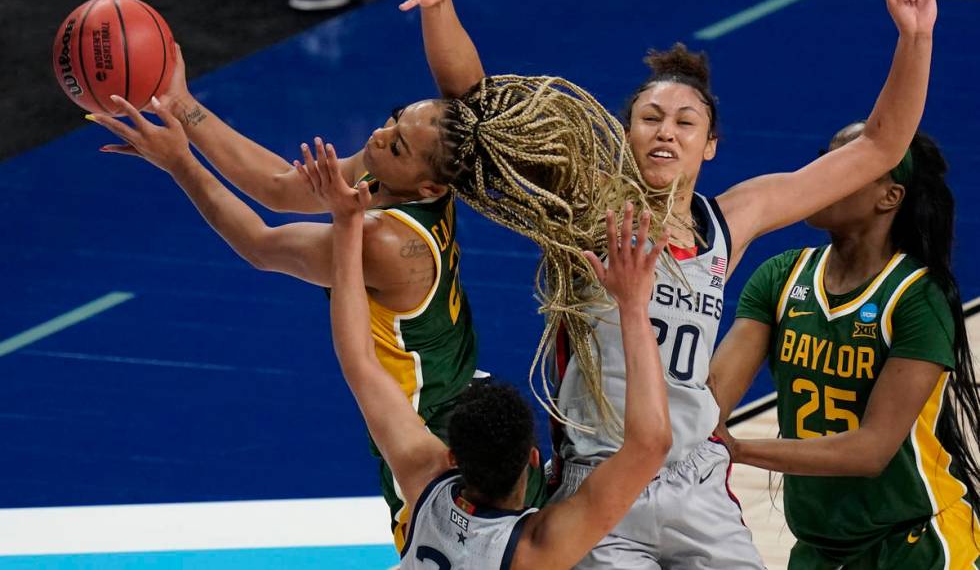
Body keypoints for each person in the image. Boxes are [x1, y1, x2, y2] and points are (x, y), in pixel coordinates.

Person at [404, 0, 937, 569]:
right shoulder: (584, 205)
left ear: (709, 146)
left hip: (695, 480)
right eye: (650, 118)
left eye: (686, 123)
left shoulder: (730, 221)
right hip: (602, 482)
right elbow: (479, 108)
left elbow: (877, 146)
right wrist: (440, 7)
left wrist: (915, 38)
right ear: (624, 133)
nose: (666, 131)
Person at [88, 64, 671, 551]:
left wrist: (179, 164)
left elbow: (261, 245)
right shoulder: (403, 173)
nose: (376, 136)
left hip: (426, 429)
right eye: (392, 119)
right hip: (468, 396)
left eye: (395, 141)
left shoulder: (385, 243)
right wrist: (184, 105)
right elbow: (279, 185)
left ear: (428, 188)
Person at [320, 121, 672, 570]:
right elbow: (652, 442)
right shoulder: (535, 551)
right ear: (531, 460)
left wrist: (348, 226)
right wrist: (635, 308)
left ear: (451, 456)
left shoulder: (425, 484)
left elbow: (359, 360)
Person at [709, 128, 980, 569]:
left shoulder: (918, 297)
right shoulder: (780, 276)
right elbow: (711, 401)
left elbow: (870, 451)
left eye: (851, 162)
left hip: (916, 545)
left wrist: (737, 449)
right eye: (825, 158)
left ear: (889, 197)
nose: (822, 173)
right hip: (818, 549)